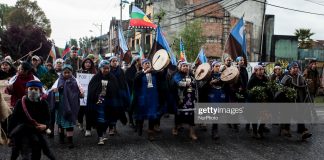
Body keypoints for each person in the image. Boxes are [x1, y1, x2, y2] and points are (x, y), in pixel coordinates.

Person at [8, 80, 55, 160]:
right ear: (27, 90)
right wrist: (9, 136)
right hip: (23, 132)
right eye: (31, 88)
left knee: (37, 154)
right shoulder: (20, 102)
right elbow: (13, 119)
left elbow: (48, 118)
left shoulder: (44, 103)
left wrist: (45, 126)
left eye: (36, 89)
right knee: (24, 154)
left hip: (38, 133)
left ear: (40, 91)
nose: (33, 91)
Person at [87, 60, 126, 145]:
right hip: (99, 102)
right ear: (100, 68)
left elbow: (116, 89)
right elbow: (91, 90)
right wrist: (98, 92)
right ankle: (100, 137)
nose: (106, 70)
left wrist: (108, 88)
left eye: (108, 68)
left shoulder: (112, 77)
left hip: (110, 102)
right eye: (104, 68)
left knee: (108, 119)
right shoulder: (96, 77)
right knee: (100, 119)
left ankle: (104, 131)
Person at [49, 64, 84, 148]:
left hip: (71, 106)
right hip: (61, 106)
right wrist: (55, 90)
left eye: (69, 72)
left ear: (71, 72)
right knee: (61, 123)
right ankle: (61, 137)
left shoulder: (75, 80)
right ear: (62, 73)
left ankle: (70, 141)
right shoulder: (58, 80)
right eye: (65, 72)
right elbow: (52, 90)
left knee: (69, 123)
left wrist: (81, 93)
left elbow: (80, 90)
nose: (67, 74)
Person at [280, 62, 312, 140]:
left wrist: (305, 99)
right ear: (290, 69)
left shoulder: (300, 77)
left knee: (299, 115)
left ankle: (303, 131)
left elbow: (305, 89)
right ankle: (285, 129)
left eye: (297, 68)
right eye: (294, 68)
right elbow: (280, 87)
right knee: (287, 115)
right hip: (288, 100)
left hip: (298, 100)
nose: (296, 69)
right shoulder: (286, 77)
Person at [133, 59, 159, 141]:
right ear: (142, 65)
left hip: (153, 98)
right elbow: (135, 81)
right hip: (142, 97)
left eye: (148, 63)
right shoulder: (139, 73)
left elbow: (162, 77)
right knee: (142, 114)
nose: (147, 64)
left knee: (152, 115)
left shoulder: (155, 73)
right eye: (145, 63)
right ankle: (140, 127)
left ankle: (150, 132)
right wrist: (144, 72)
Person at [172, 61, 198, 140]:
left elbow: (197, 84)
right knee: (179, 115)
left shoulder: (192, 76)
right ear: (180, 67)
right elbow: (178, 83)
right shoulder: (177, 75)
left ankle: (192, 133)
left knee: (192, 115)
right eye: (183, 66)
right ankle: (175, 128)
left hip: (192, 98)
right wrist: (186, 83)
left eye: (187, 66)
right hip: (182, 99)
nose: (186, 67)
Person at [247, 65, 271, 138]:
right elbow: (248, 90)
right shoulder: (252, 79)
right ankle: (255, 132)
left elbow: (269, 89)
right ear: (256, 71)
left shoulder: (265, 79)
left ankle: (260, 130)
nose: (261, 71)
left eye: (262, 69)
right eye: (259, 69)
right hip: (255, 102)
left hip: (264, 101)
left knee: (265, 116)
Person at [108, 56, 129, 136]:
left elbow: (124, 82)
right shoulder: (107, 70)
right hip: (110, 94)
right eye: (113, 61)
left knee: (117, 111)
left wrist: (124, 94)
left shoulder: (121, 71)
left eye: (116, 61)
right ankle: (111, 128)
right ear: (110, 62)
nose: (115, 62)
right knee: (110, 111)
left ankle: (114, 126)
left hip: (119, 94)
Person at [77, 58, 97, 134]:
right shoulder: (79, 72)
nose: (88, 64)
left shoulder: (94, 72)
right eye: (86, 62)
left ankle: (88, 129)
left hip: (91, 96)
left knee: (89, 112)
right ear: (83, 63)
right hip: (81, 95)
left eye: (89, 62)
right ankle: (80, 123)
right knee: (80, 112)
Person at [208, 61, 227, 140]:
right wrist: (210, 82)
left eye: (219, 66)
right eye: (216, 66)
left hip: (221, 95)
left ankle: (215, 128)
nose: (218, 67)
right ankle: (214, 130)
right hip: (212, 95)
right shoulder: (209, 75)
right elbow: (202, 84)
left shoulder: (223, 75)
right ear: (213, 67)